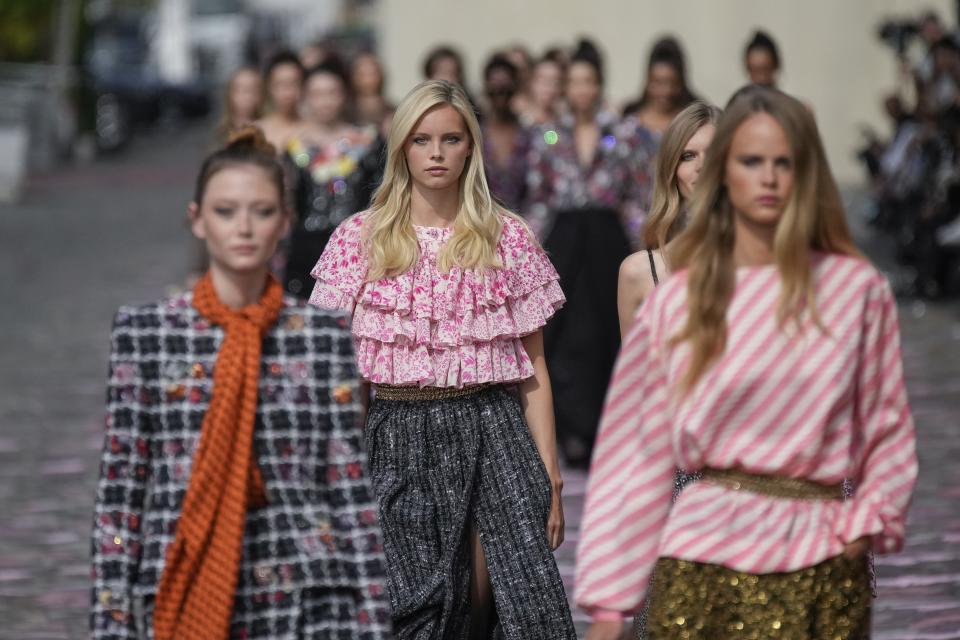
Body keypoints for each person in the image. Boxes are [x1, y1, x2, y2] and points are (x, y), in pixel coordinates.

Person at [577, 86, 918, 639]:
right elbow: (636, 446)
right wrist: (610, 603)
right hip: (702, 543)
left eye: (783, 162)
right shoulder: (674, 295)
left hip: (822, 548)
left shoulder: (856, 289)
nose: (767, 177)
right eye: (751, 161)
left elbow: (886, 424)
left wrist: (866, 522)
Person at [90, 127, 391, 639]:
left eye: (262, 211)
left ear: (285, 221)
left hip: (307, 596)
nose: (244, 228)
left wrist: (374, 619)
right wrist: (110, 624)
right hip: (182, 580)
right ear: (198, 220)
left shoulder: (323, 333)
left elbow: (346, 483)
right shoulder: (147, 333)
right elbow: (122, 490)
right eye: (226, 211)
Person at [308, 80, 576, 639]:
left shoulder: (508, 238)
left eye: (451, 139)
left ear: (470, 148)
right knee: (412, 609)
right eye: (422, 139)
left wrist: (549, 475)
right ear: (401, 147)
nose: (436, 153)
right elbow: (344, 382)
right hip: (396, 434)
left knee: (510, 602)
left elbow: (534, 370)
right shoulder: (359, 240)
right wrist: (337, 478)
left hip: (493, 432)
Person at [525, 38, 640, 467]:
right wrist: (528, 250)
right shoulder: (547, 134)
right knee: (563, 333)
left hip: (608, 240)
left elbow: (634, 194)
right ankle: (571, 429)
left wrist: (643, 242)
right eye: (573, 81)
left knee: (610, 330)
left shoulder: (622, 132)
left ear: (599, 83)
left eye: (588, 81)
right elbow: (538, 196)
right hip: (565, 239)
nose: (581, 90)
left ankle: (610, 430)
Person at [618, 101, 720, 335]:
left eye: (713, 153)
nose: (701, 166)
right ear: (672, 171)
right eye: (687, 156)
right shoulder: (637, 272)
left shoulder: (763, 262)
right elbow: (634, 370)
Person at [283, 60, 380, 299]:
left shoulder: (367, 142)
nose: (325, 100)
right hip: (307, 250)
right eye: (317, 94)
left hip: (360, 247)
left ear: (345, 95)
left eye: (332, 92)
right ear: (305, 98)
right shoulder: (294, 148)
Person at [480, 52, 531, 211]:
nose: (500, 90)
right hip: (482, 222)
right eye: (495, 84)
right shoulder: (475, 134)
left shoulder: (529, 134)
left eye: (506, 84)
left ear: (515, 86)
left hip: (524, 223)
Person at [623, 37, 699, 136]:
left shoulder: (693, 121)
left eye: (672, 83)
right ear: (647, 80)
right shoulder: (630, 121)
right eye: (657, 82)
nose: (665, 91)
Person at [256, 51, 305, 153]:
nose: (288, 92)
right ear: (269, 86)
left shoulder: (315, 129)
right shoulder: (257, 132)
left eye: (293, 83)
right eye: (281, 84)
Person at [213, 66, 264, 145]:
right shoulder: (219, 136)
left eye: (252, 89)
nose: (246, 96)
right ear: (229, 94)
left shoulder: (269, 131)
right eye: (239, 90)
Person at [349, 51, 395, 133]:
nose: (368, 80)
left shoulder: (391, 110)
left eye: (372, 74)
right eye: (362, 74)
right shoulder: (345, 109)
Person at [521, 49, 567, 127]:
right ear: (531, 83)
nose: (549, 87)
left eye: (556, 82)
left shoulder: (565, 122)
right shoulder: (522, 122)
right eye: (543, 81)